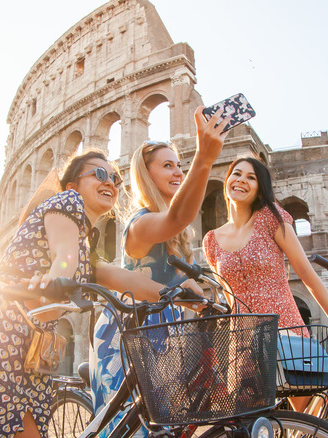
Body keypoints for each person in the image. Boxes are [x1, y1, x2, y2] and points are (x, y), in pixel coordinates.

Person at [0, 150, 171, 438]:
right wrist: (58, 278)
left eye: (115, 178)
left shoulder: (84, 240)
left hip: (31, 351)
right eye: (99, 174)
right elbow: (64, 256)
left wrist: (172, 293)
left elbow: (120, 277)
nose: (111, 183)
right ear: (72, 187)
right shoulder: (66, 202)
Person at [90, 106, 229, 435]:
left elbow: (183, 285)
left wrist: (200, 297)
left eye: (180, 165)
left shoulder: (177, 241)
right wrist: (205, 159)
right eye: (167, 166)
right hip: (131, 339)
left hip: (171, 340)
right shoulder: (140, 226)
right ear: (146, 174)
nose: (177, 172)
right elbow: (175, 219)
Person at [202, 156, 328, 412]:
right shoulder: (211, 241)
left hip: (285, 330)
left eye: (251, 177)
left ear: (260, 188)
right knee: (249, 422)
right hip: (243, 339)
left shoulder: (271, 217)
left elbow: (306, 274)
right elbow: (227, 295)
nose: (242, 181)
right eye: (237, 174)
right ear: (227, 180)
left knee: (305, 420)